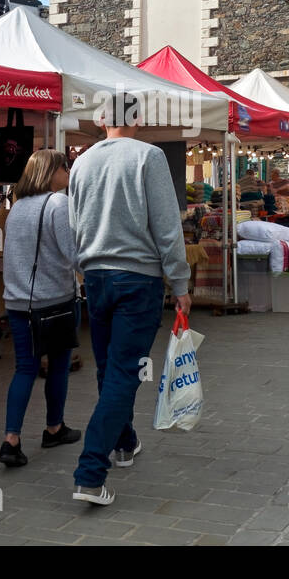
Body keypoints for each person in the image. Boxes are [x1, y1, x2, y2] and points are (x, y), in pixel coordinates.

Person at [67, 93, 191, 507]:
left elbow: (74, 224)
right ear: (138, 118)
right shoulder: (148, 157)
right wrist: (180, 283)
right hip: (138, 278)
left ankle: (124, 443)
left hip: (96, 276)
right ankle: (89, 473)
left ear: (102, 119)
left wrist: (83, 267)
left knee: (109, 369)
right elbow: (167, 226)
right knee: (122, 373)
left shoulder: (82, 161)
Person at [0, 150, 82, 467]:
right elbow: (73, 254)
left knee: (25, 369)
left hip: (18, 302)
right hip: (55, 302)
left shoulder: (16, 208)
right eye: (66, 166)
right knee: (58, 367)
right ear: (54, 171)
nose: (69, 171)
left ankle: (11, 439)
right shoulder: (58, 204)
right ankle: (54, 428)